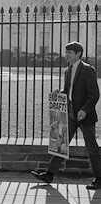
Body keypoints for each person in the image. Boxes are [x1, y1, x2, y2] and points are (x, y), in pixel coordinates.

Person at [32, 41, 101, 190]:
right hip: (69, 114)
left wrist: (84, 110)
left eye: (69, 52)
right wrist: (60, 92)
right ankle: (49, 175)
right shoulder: (67, 70)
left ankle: (100, 178)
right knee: (60, 144)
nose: (66, 55)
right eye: (66, 52)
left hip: (85, 116)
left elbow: (94, 94)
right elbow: (69, 90)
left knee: (92, 147)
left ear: (78, 54)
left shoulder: (88, 70)